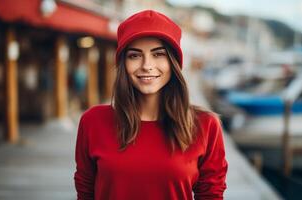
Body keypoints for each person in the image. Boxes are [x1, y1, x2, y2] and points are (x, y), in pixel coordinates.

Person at [74, 10, 228, 200]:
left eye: (158, 54)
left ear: (174, 63)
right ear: (123, 63)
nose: (147, 65)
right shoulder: (93, 122)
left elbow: (211, 195)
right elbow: (85, 193)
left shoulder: (206, 126)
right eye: (134, 55)